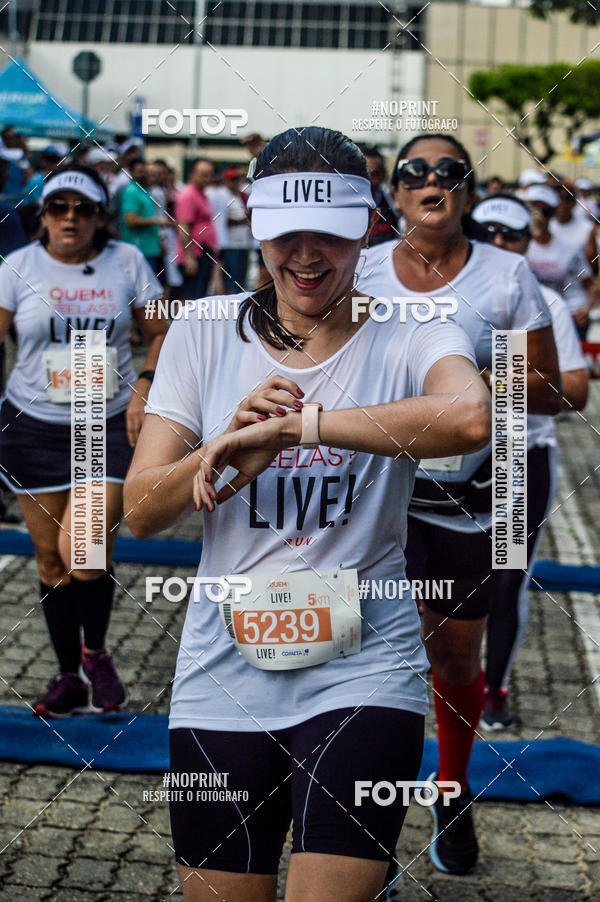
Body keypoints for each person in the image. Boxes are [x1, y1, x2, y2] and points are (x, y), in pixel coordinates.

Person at [124, 126, 491, 902]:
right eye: (285, 234)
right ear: (253, 228)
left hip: (365, 667)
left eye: (330, 231)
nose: (306, 254)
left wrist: (299, 426)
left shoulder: (416, 327)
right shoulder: (201, 330)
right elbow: (141, 512)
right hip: (222, 674)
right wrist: (224, 450)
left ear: (367, 228)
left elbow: (468, 417)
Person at [357, 133, 560, 876]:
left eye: (450, 171)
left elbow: (555, 389)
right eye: (416, 171)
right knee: (374, 653)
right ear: (396, 190)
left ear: (468, 189)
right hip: (373, 494)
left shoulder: (508, 275)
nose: (432, 181)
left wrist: (477, 378)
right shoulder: (363, 267)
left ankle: (451, 786)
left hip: (470, 495)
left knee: (453, 653)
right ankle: (361, 820)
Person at [0, 163, 167, 717]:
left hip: (106, 422)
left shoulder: (128, 262)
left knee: (85, 547)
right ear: (43, 216)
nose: (70, 219)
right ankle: (68, 676)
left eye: (83, 209)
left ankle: (95, 653)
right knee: (50, 561)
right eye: (58, 208)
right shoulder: (17, 267)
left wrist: (145, 383)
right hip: (32, 426)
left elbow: (162, 329)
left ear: (101, 218)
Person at [472, 194, 589, 729]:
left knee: (507, 577)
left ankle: (492, 687)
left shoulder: (548, 304)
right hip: (441, 458)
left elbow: (576, 392)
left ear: (526, 244)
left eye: (510, 235)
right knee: (416, 571)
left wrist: (486, 387)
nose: (497, 244)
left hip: (520, 456)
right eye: (486, 231)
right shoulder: (442, 295)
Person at [523, 184, 598, 339]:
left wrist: (585, 309)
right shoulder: (511, 245)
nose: (538, 215)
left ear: (552, 214)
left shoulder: (569, 250)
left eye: (544, 210)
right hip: (523, 321)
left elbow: (591, 285)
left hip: (563, 321)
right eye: (532, 209)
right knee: (511, 362)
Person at [120, 158, 172, 280]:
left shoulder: (145, 190)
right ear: (131, 172)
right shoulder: (131, 191)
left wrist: (160, 243)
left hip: (151, 249)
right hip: (140, 250)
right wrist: (156, 221)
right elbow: (130, 220)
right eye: (139, 171)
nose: (143, 174)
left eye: (144, 171)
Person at [175, 158, 220, 300]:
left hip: (204, 252)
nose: (207, 178)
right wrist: (189, 256)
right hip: (194, 254)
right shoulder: (188, 195)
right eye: (203, 174)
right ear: (192, 174)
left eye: (209, 174)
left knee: (200, 295)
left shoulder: (201, 194)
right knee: (191, 296)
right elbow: (183, 227)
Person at [550, 179, 597, 273]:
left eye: (567, 197)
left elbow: (593, 267)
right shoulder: (545, 225)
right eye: (557, 197)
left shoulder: (588, 229)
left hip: (576, 285)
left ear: (574, 202)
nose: (561, 202)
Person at [363, 146, 400, 246]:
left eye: (374, 174)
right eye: (363, 173)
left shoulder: (393, 199)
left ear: (384, 175)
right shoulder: (345, 204)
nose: (368, 179)